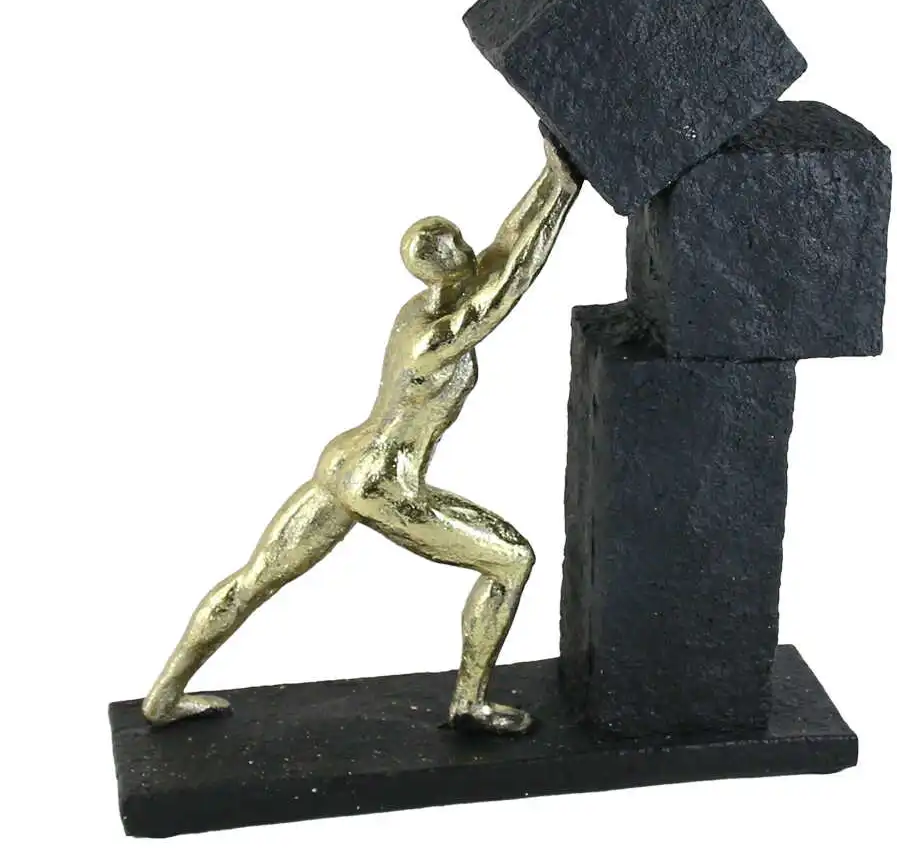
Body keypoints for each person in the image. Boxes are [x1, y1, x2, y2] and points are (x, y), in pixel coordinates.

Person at [142, 133, 582, 735]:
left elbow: (507, 247)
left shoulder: (419, 307)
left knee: (256, 578)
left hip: (343, 461)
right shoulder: (435, 337)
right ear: (450, 262)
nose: (474, 250)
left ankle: (163, 697)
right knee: (511, 561)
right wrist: (562, 192)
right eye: (461, 247)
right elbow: (510, 283)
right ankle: (469, 703)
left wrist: (554, 177)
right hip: (384, 482)